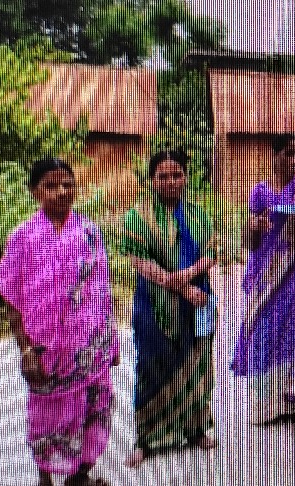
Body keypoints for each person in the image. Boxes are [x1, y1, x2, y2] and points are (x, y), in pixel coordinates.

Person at [0, 158, 120, 486]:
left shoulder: (89, 233)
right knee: (47, 416)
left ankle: (79, 476)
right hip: (45, 350)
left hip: (89, 347)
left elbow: (102, 290)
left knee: (92, 408)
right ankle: (45, 479)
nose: (62, 191)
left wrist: (111, 342)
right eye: (51, 185)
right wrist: (25, 350)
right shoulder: (23, 237)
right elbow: (11, 297)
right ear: (35, 191)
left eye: (68, 184)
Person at [120, 150, 219, 467]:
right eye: (162, 175)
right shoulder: (137, 217)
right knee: (152, 363)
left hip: (196, 303)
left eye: (177, 174)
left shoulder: (198, 215)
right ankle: (146, 438)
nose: (171, 181)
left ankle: (195, 428)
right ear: (151, 179)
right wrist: (177, 285)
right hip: (153, 303)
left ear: (186, 177)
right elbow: (138, 260)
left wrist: (187, 277)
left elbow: (211, 254)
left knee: (196, 362)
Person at [232, 134, 295, 424]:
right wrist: (254, 226)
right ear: (274, 155)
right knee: (265, 330)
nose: (294, 161)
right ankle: (264, 406)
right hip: (266, 271)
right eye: (288, 154)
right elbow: (249, 242)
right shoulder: (260, 193)